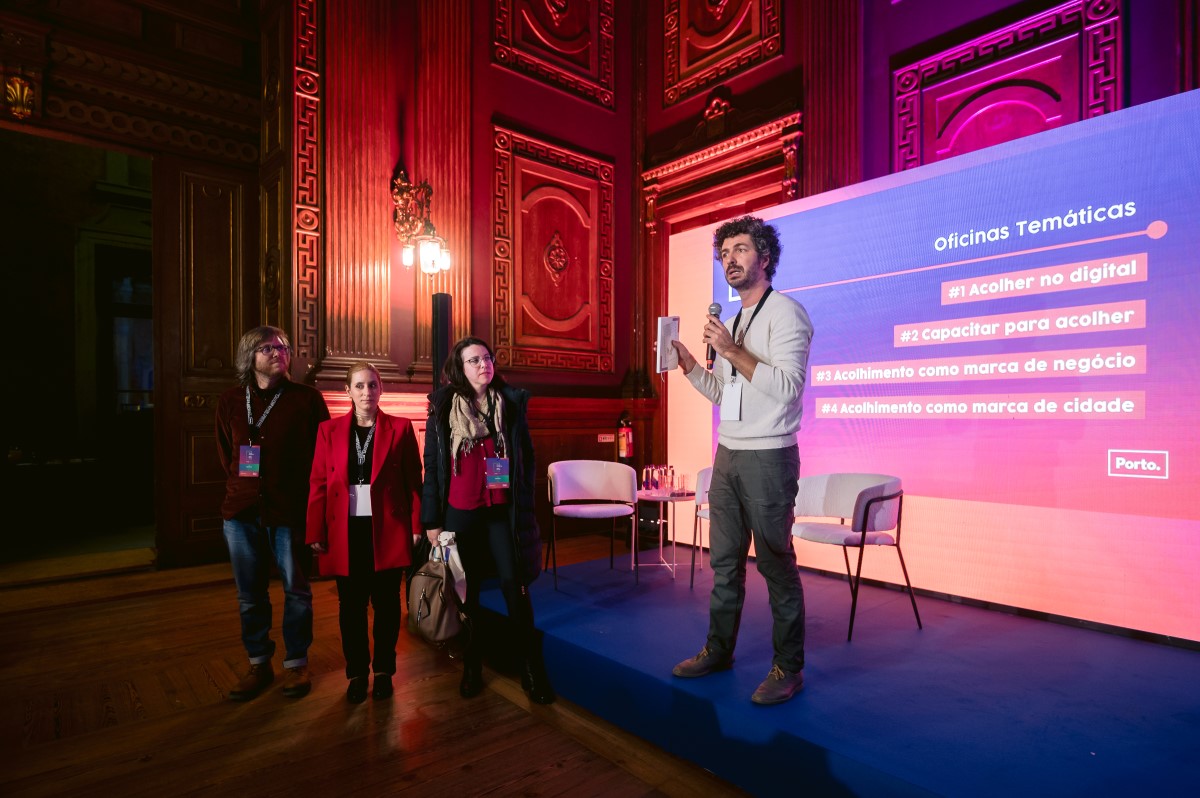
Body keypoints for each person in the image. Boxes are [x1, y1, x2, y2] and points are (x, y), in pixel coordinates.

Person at [669, 215, 813, 705]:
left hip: (770, 456)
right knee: (725, 564)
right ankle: (718, 650)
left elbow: (787, 389)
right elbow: (726, 397)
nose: (729, 259)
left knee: (775, 564)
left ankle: (788, 667)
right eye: (724, 252)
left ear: (765, 257)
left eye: (741, 250)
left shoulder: (787, 314)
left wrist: (731, 350)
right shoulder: (731, 322)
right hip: (728, 454)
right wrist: (691, 365)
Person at [420, 337, 553, 704]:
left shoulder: (509, 403)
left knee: (514, 584)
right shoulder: (443, 407)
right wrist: (431, 520)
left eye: (487, 358)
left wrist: (523, 502)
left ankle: (530, 668)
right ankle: (472, 666)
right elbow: (433, 466)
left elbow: (527, 458)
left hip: (501, 510)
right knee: (468, 592)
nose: (484, 365)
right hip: (459, 512)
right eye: (474, 360)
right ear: (459, 368)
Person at [215, 325, 330, 701]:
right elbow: (227, 455)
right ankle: (258, 663)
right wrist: (245, 487)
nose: (278, 352)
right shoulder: (231, 400)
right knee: (250, 595)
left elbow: (323, 459)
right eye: (267, 348)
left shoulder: (307, 399)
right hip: (241, 511)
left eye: (283, 347)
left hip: (290, 511)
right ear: (249, 356)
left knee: (297, 590)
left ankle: (296, 664)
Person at [306, 362, 424, 704]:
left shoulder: (401, 428)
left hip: (388, 528)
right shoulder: (328, 430)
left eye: (372, 385)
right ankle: (356, 673)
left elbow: (413, 483)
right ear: (348, 391)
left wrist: (416, 525)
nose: (366, 392)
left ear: (381, 388)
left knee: (387, 604)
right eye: (359, 386)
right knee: (351, 606)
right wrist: (315, 529)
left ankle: (384, 671)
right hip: (345, 530)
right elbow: (318, 483)